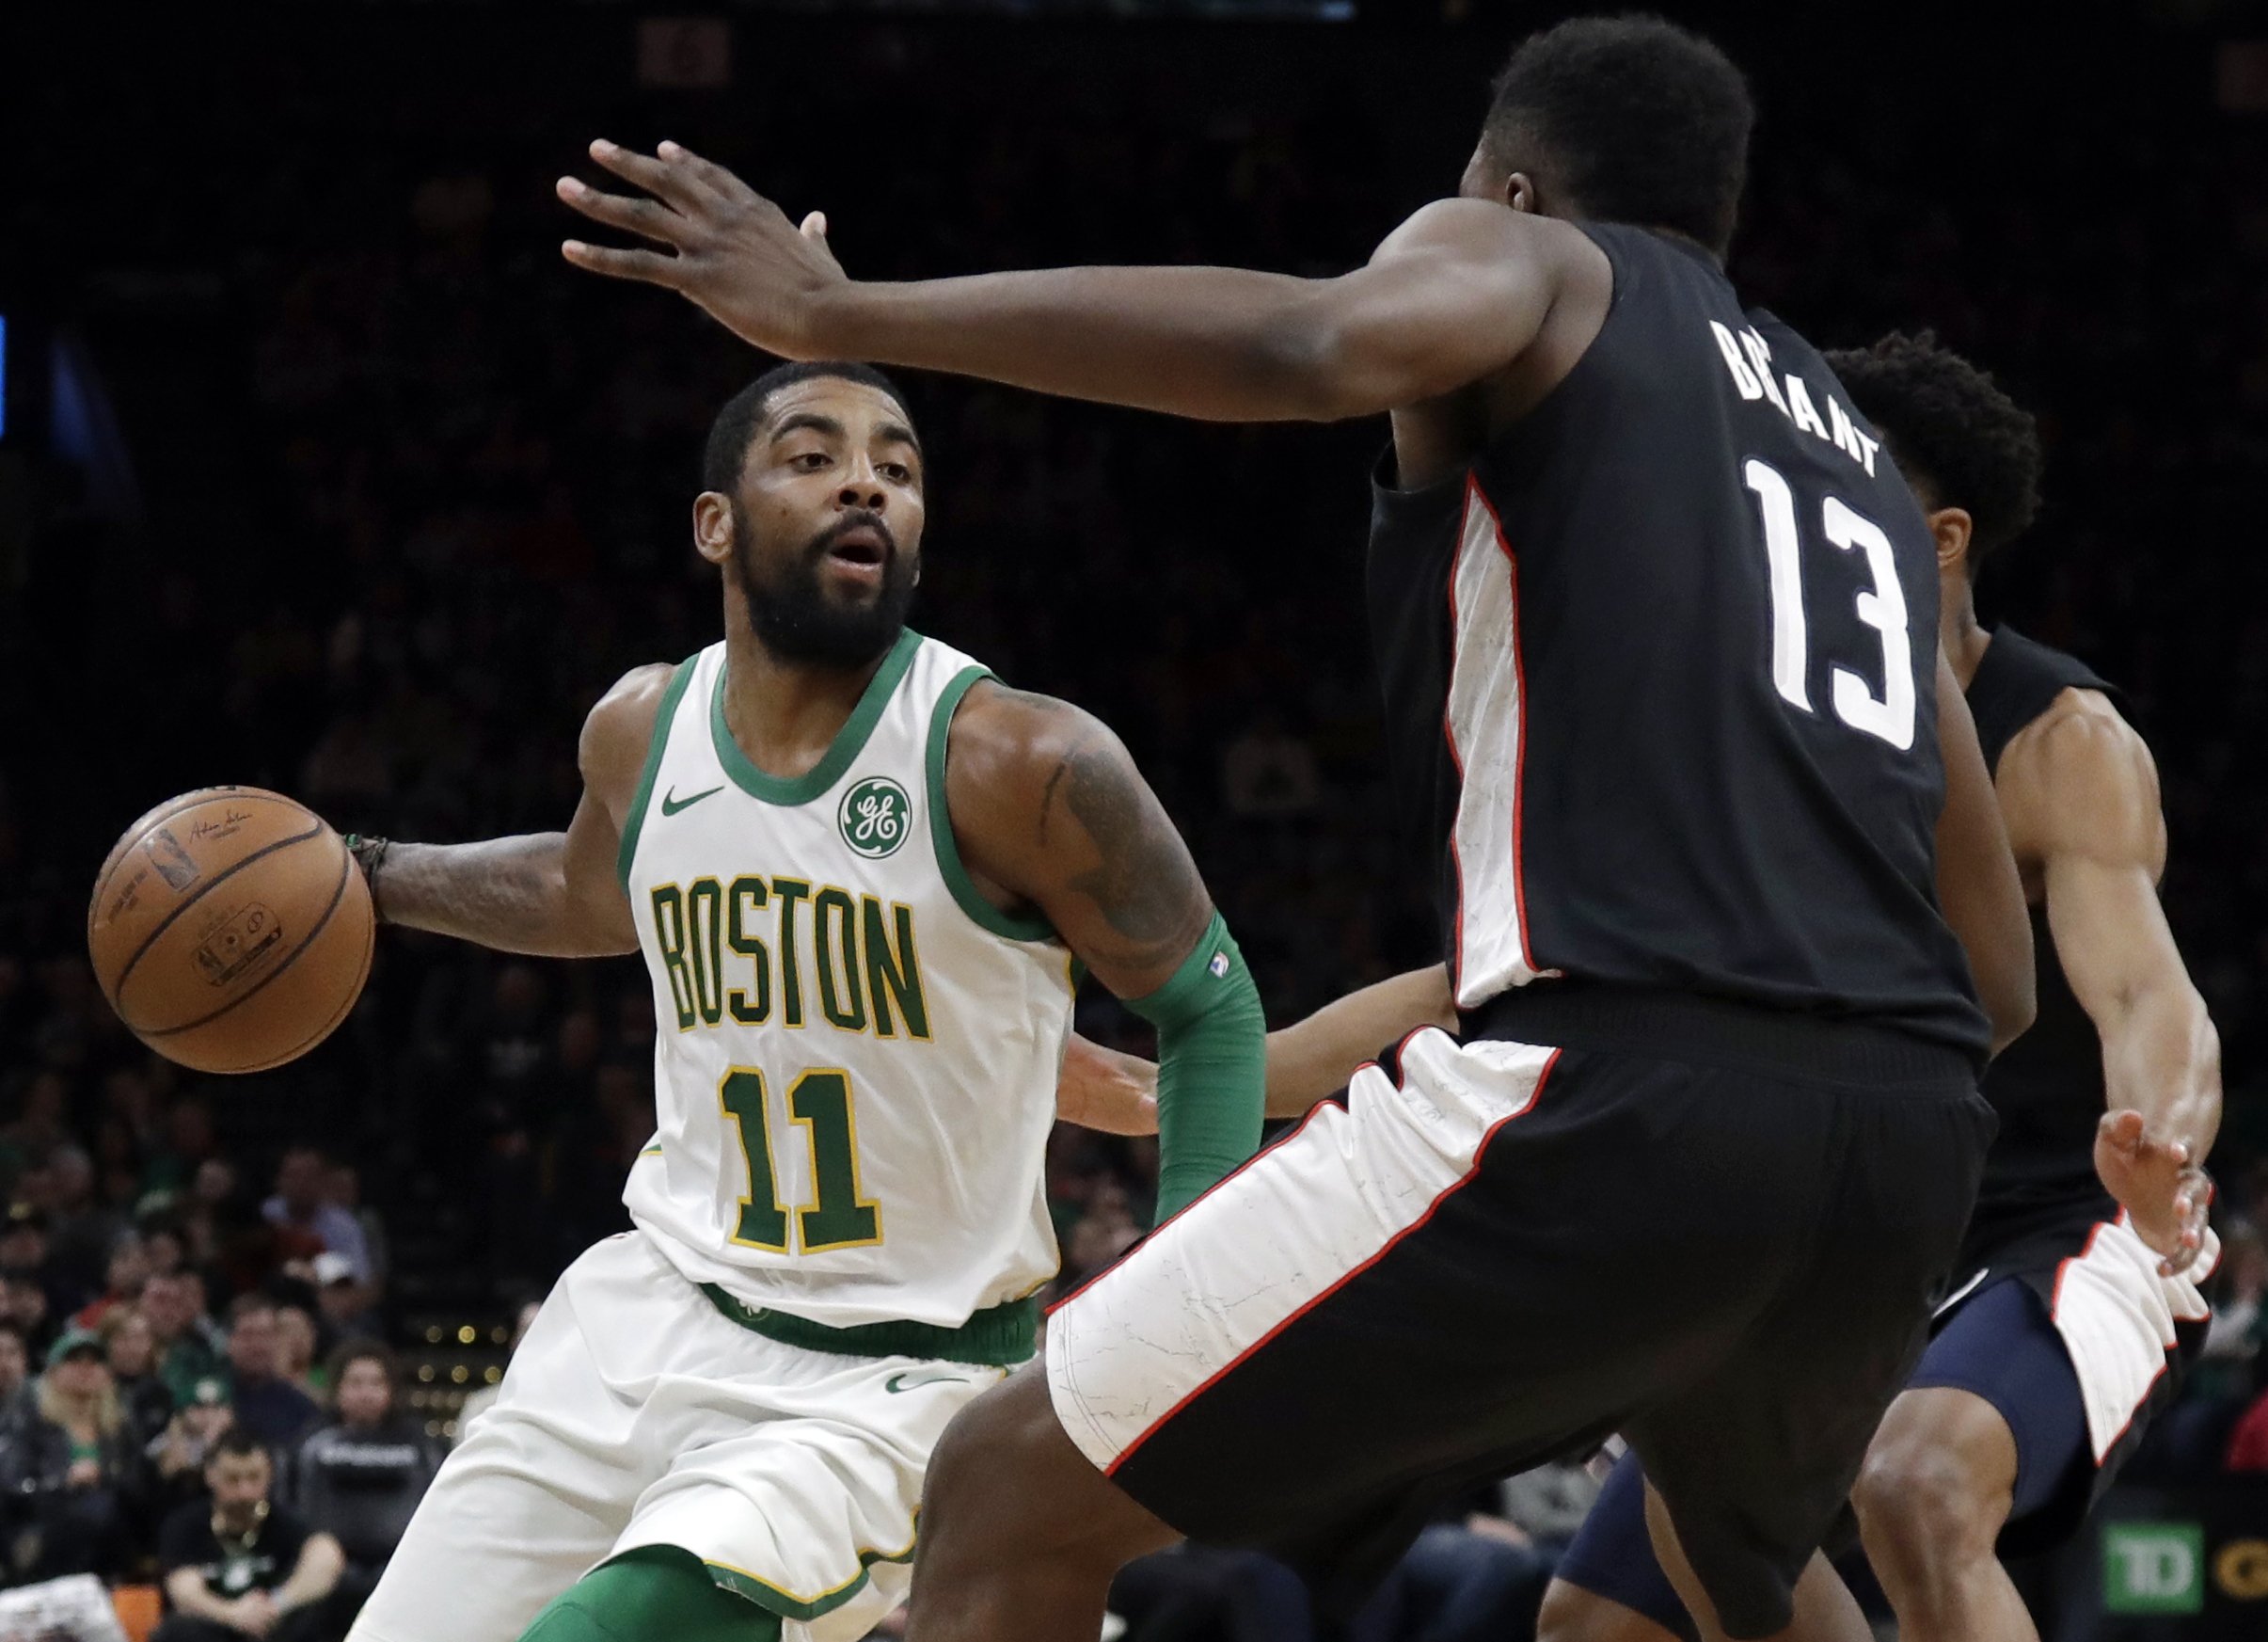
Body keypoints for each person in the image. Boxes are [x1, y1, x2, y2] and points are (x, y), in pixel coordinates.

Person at [554, 19, 2100, 1642]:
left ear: (1511, 180)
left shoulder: (1534, 259)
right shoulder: (1855, 463)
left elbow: (1309, 347)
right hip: (1900, 1144)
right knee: (1739, 1586)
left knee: (1006, 1483)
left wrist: (839, 316)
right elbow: (1995, 973)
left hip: (1624, 1094)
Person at [332, 361, 1264, 1642]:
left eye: (897, 462)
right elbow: (588, 890)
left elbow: (1209, 1011)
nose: (865, 478)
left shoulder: (1018, 759)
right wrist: (370, 878)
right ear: (715, 521)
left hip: (889, 1380)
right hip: (645, 1310)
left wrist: (1175, 1324)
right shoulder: (641, 727)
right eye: (812, 453)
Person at [1535, 336, 2224, 1642]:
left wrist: (2160, 1146)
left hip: (2053, 1224)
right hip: (1832, 1235)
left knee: (1913, 1484)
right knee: (1595, 1621)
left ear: (1938, 536)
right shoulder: (1751, 727)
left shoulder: (2056, 741)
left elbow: (2145, 994)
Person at [287, 1344, 441, 1628]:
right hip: (325, 1573)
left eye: (376, 1383)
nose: (366, 1393)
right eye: (355, 1383)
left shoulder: (420, 1444)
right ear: (337, 1388)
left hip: (399, 1572)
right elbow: (289, 1504)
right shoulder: (312, 1441)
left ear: (391, 1390)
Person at [153, 1430, 346, 1642]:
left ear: (270, 1474)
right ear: (210, 1475)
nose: (245, 1492)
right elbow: (183, 1591)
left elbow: (326, 1556)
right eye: (233, 1480)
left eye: (254, 1478)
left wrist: (277, 1604)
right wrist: (234, 1614)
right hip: (214, 1626)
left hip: (273, 1625)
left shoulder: (285, 1523)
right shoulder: (185, 1525)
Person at [34, 1326, 143, 1578]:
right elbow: (16, 1484)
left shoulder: (121, 1427)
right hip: (51, 1527)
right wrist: (64, 1480)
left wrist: (102, 1475)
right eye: (74, 1361)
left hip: (112, 1529)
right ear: (53, 1371)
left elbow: (137, 1483)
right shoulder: (35, 1425)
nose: (86, 1368)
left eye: (94, 1362)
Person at [224, 1297, 322, 1449]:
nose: (257, 1346)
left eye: (265, 1335)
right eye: (247, 1335)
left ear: (278, 1340)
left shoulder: (301, 1407)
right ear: (230, 1341)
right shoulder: (214, 1397)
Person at [263, 1149, 373, 1284]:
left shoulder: (344, 1225)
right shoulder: (265, 1214)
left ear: (324, 1182)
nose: (301, 1183)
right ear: (278, 1180)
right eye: (293, 1175)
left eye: (309, 1176)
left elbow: (358, 1279)